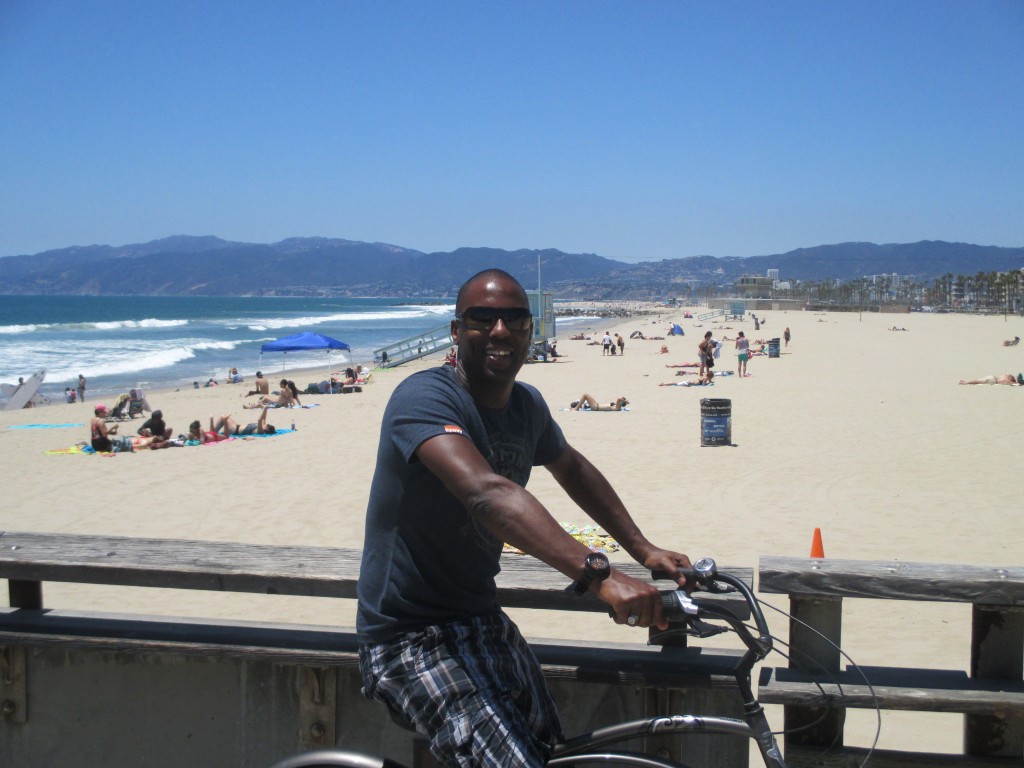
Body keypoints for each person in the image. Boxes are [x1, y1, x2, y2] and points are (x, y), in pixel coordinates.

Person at [356, 269, 691, 767]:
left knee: (547, 753)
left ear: (530, 330)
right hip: (407, 639)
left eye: (514, 319)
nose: (499, 331)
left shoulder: (526, 406)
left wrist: (642, 549)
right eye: (482, 318)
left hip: (480, 620)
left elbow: (572, 467)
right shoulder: (424, 399)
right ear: (455, 331)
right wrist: (599, 573)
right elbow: (486, 493)